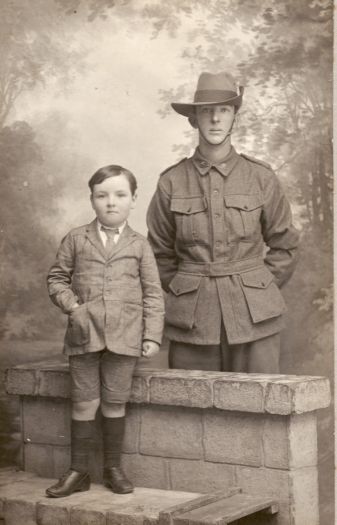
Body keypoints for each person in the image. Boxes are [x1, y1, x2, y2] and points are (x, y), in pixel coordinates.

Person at [146, 71, 299, 374]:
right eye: (207, 111)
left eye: (224, 110)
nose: (215, 119)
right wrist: (187, 291)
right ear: (194, 119)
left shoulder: (261, 178)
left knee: (259, 410)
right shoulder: (171, 182)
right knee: (193, 411)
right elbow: (158, 255)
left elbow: (285, 245)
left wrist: (256, 288)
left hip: (256, 321)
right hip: (193, 323)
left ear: (234, 117)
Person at [46, 165, 164, 497]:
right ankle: (78, 472)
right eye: (102, 195)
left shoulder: (140, 245)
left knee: (114, 403)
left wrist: (152, 335)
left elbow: (153, 293)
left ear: (133, 199)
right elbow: (56, 279)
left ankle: (113, 469)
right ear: (92, 200)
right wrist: (73, 307)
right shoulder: (75, 238)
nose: (111, 202)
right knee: (84, 404)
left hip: (126, 338)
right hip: (84, 334)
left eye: (120, 195)